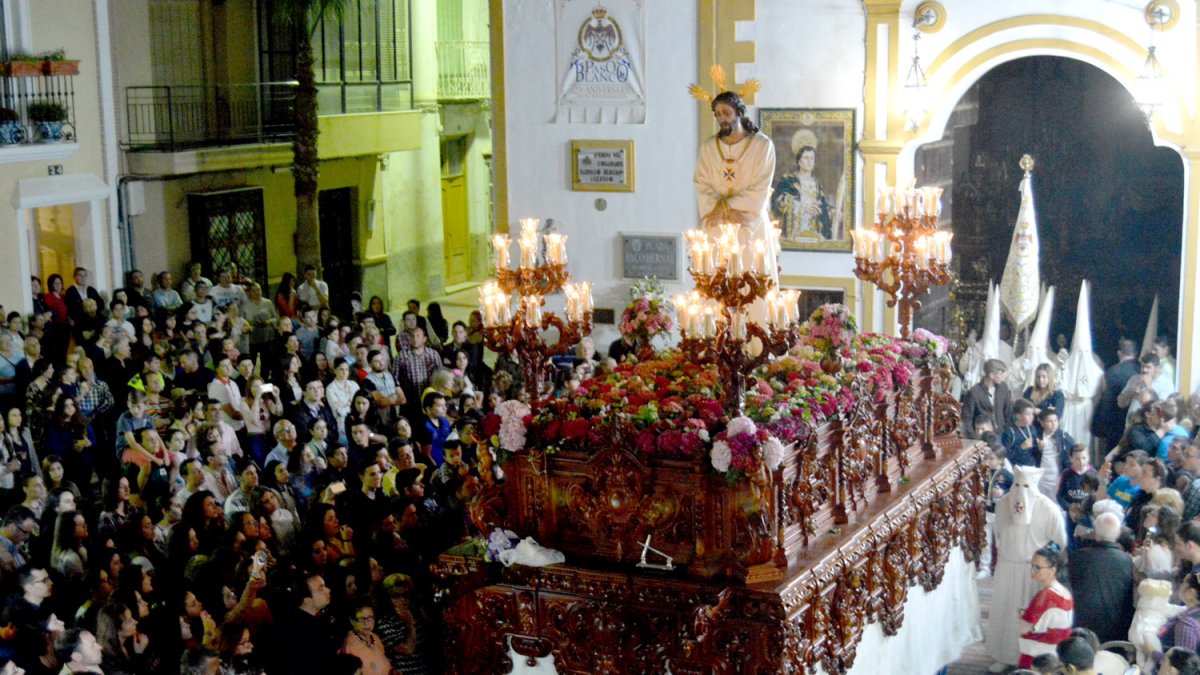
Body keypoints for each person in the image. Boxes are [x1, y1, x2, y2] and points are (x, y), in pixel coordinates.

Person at [986, 465, 1067, 671]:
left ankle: (1028, 659)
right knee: (1004, 611)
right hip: (1007, 565)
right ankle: (1003, 655)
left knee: (1030, 614)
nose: (1020, 491)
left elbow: (1061, 541)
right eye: (1017, 484)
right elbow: (998, 534)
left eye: (1026, 486)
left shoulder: (1048, 508)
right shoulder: (1003, 504)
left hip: (1033, 570)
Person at [694, 90, 777, 284]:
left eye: (726, 113)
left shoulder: (761, 146)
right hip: (717, 225)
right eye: (718, 114)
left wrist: (726, 207)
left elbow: (760, 187)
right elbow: (701, 184)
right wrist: (720, 211)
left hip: (749, 224)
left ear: (739, 112)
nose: (722, 118)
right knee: (715, 284)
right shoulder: (708, 148)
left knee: (755, 284)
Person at [1068, 511, 1135, 643]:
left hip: (1081, 626)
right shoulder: (1126, 560)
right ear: (1117, 534)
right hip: (1115, 629)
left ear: (1095, 533)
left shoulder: (1078, 557)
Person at [1017, 542, 1073, 669]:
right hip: (1055, 656)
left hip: (1037, 656)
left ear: (1052, 570)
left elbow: (1023, 628)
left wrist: (1022, 615)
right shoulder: (1064, 591)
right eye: (1031, 566)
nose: (1032, 571)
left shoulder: (1046, 596)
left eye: (1037, 567)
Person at [772, 141, 837, 241]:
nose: (809, 161)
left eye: (812, 158)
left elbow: (822, 204)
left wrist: (832, 210)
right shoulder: (788, 180)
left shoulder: (817, 183)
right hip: (796, 228)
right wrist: (801, 206)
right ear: (799, 161)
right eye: (806, 158)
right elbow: (779, 200)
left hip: (814, 228)